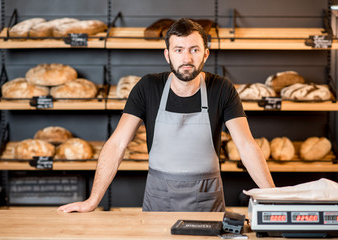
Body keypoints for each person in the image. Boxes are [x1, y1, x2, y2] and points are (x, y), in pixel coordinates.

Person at [58, 18, 275, 213]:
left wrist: (276, 197)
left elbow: (246, 146)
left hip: (207, 199)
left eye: (194, 50)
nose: (187, 57)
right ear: (167, 54)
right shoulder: (148, 87)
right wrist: (93, 200)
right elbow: (117, 144)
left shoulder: (221, 88)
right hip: (159, 198)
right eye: (178, 50)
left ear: (205, 54)